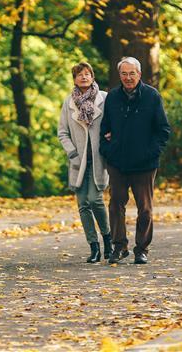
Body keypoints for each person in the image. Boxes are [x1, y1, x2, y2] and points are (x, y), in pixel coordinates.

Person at [99, 57, 171, 265]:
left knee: (145, 208)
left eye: (132, 73)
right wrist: (108, 151)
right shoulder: (112, 98)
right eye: (124, 74)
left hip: (145, 164)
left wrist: (151, 152)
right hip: (118, 162)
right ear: (119, 75)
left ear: (139, 74)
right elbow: (104, 129)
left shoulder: (151, 96)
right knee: (115, 205)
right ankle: (119, 246)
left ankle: (142, 249)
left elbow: (163, 130)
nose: (128, 78)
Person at [58, 61, 112, 263]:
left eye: (87, 73)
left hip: (99, 159)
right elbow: (62, 132)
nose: (83, 77)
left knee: (95, 200)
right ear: (74, 79)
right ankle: (94, 247)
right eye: (79, 74)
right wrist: (72, 153)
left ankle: (108, 239)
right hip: (78, 161)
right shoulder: (68, 102)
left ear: (93, 76)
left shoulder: (104, 98)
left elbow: (112, 124)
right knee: (82, 204)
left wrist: (110, 140)